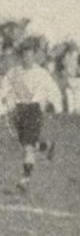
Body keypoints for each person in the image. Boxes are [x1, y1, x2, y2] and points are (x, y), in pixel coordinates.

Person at [0, 38, 62, 193]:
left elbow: (53, 90)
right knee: (27, 144)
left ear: (34, 56)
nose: (27, 58)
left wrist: (57, 107)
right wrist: (4, 97)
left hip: (34, 110)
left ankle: (25, 180)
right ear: (21, 56)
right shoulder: (15, 71)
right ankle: (47, 145)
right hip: (19, 110)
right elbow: (5, 85)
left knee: (27, 147)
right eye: (24, 55)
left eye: (30, 55)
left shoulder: (41, 73)